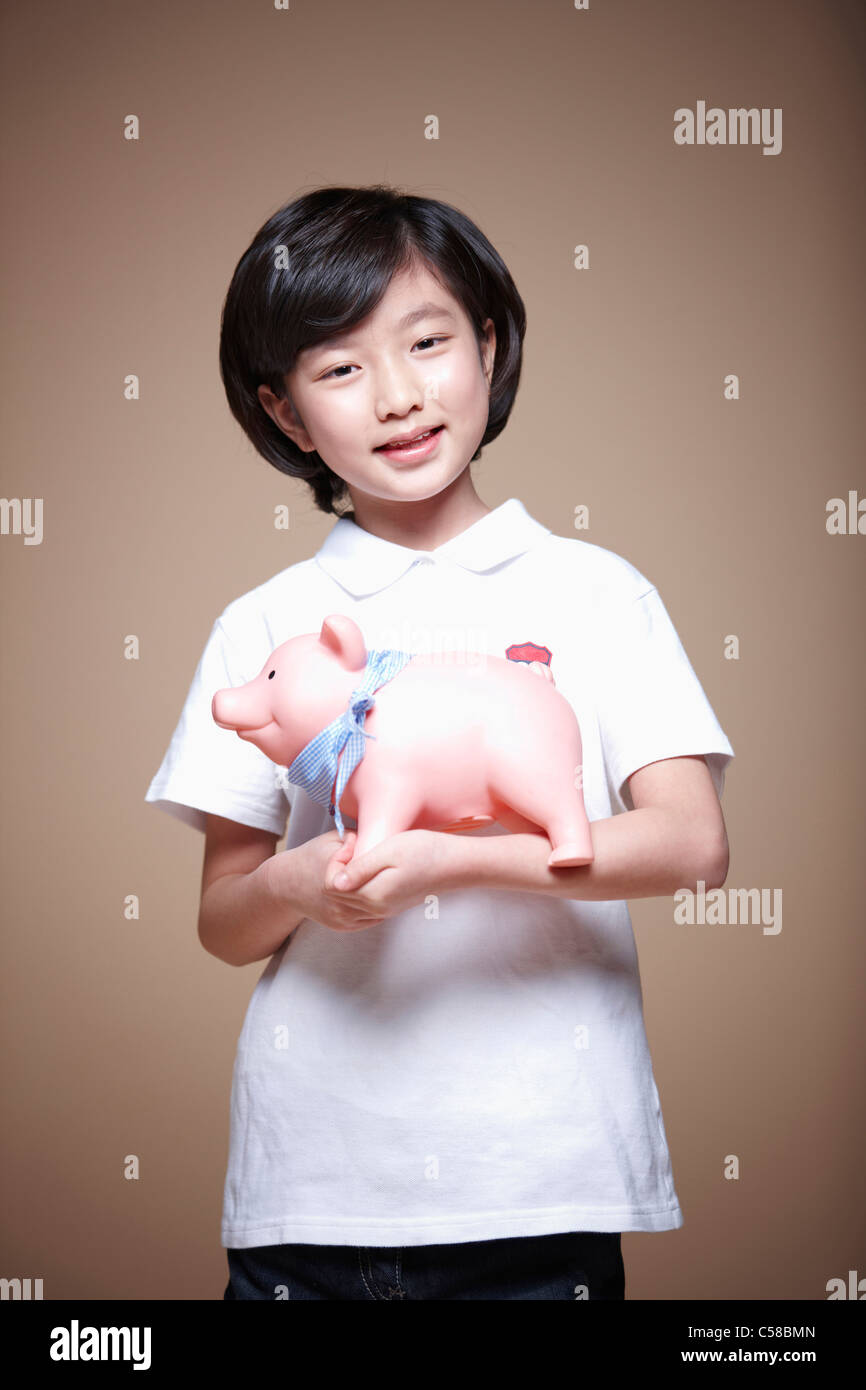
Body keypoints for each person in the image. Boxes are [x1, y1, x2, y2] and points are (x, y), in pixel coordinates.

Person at [144, 184, 734, 1301]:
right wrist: (302, 882)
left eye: (426, 342)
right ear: (284, 413)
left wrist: (452, 859)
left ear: (489, 344)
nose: (400, 395)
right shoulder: (263, 623)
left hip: (539, 1182)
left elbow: (690, 844)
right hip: (311, 1186)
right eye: (340, 367)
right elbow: (225, 920)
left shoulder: (595, 593)